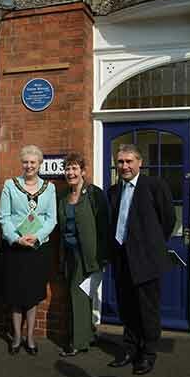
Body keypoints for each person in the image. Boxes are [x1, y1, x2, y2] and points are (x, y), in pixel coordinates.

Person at [107, 144, 176, 375]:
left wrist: (152, 245)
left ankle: (147, 354)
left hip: (147, 260)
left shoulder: (154, 185)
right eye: (120, 162)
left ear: (139, 162)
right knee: (127, 307)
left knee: (147, 309)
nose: (124, 166)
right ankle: (129, 349)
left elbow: (168, 220)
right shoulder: (114, 190)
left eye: (129, 161)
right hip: (122, 259)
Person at [0, 145, 57, 355]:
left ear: (40, 164)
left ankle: (30, 338)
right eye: (26, 162)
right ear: (21, 163)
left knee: (32, 295)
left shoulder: (49, 188)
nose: (29, 166)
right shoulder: (10, 185)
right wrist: (16, 238)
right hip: (15, 249)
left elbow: (52, 219)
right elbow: (4, 216)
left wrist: (37, 237)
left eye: (33, 162)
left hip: (37, 249)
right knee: (15, 295)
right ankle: (16, 337)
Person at [57, 152, 109, 357]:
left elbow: (104, 227)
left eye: (74, 168)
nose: (70, 172)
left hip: (87, 254)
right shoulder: (63, 197)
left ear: (83, 172)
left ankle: (78, 343)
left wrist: (103, 256)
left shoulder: (94, 194)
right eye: (68, 169)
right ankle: (88, 335)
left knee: (78, 295)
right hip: (68, 253)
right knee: (83, 295)